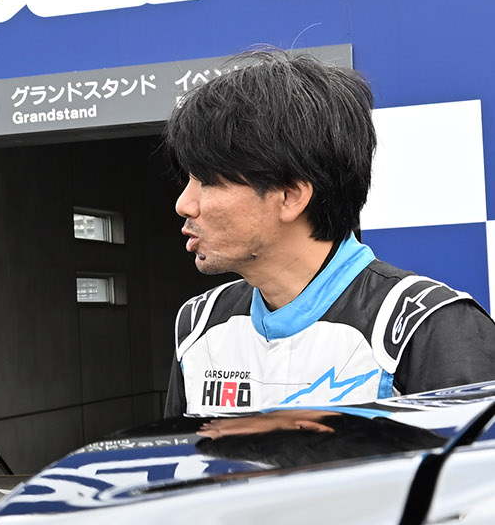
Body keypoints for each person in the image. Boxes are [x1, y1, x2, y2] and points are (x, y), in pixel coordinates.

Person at [163, 48, 495, 416]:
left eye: (208, 181)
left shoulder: (426, 326)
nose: (184, 204)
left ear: (291, 196)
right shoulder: (199, 324)